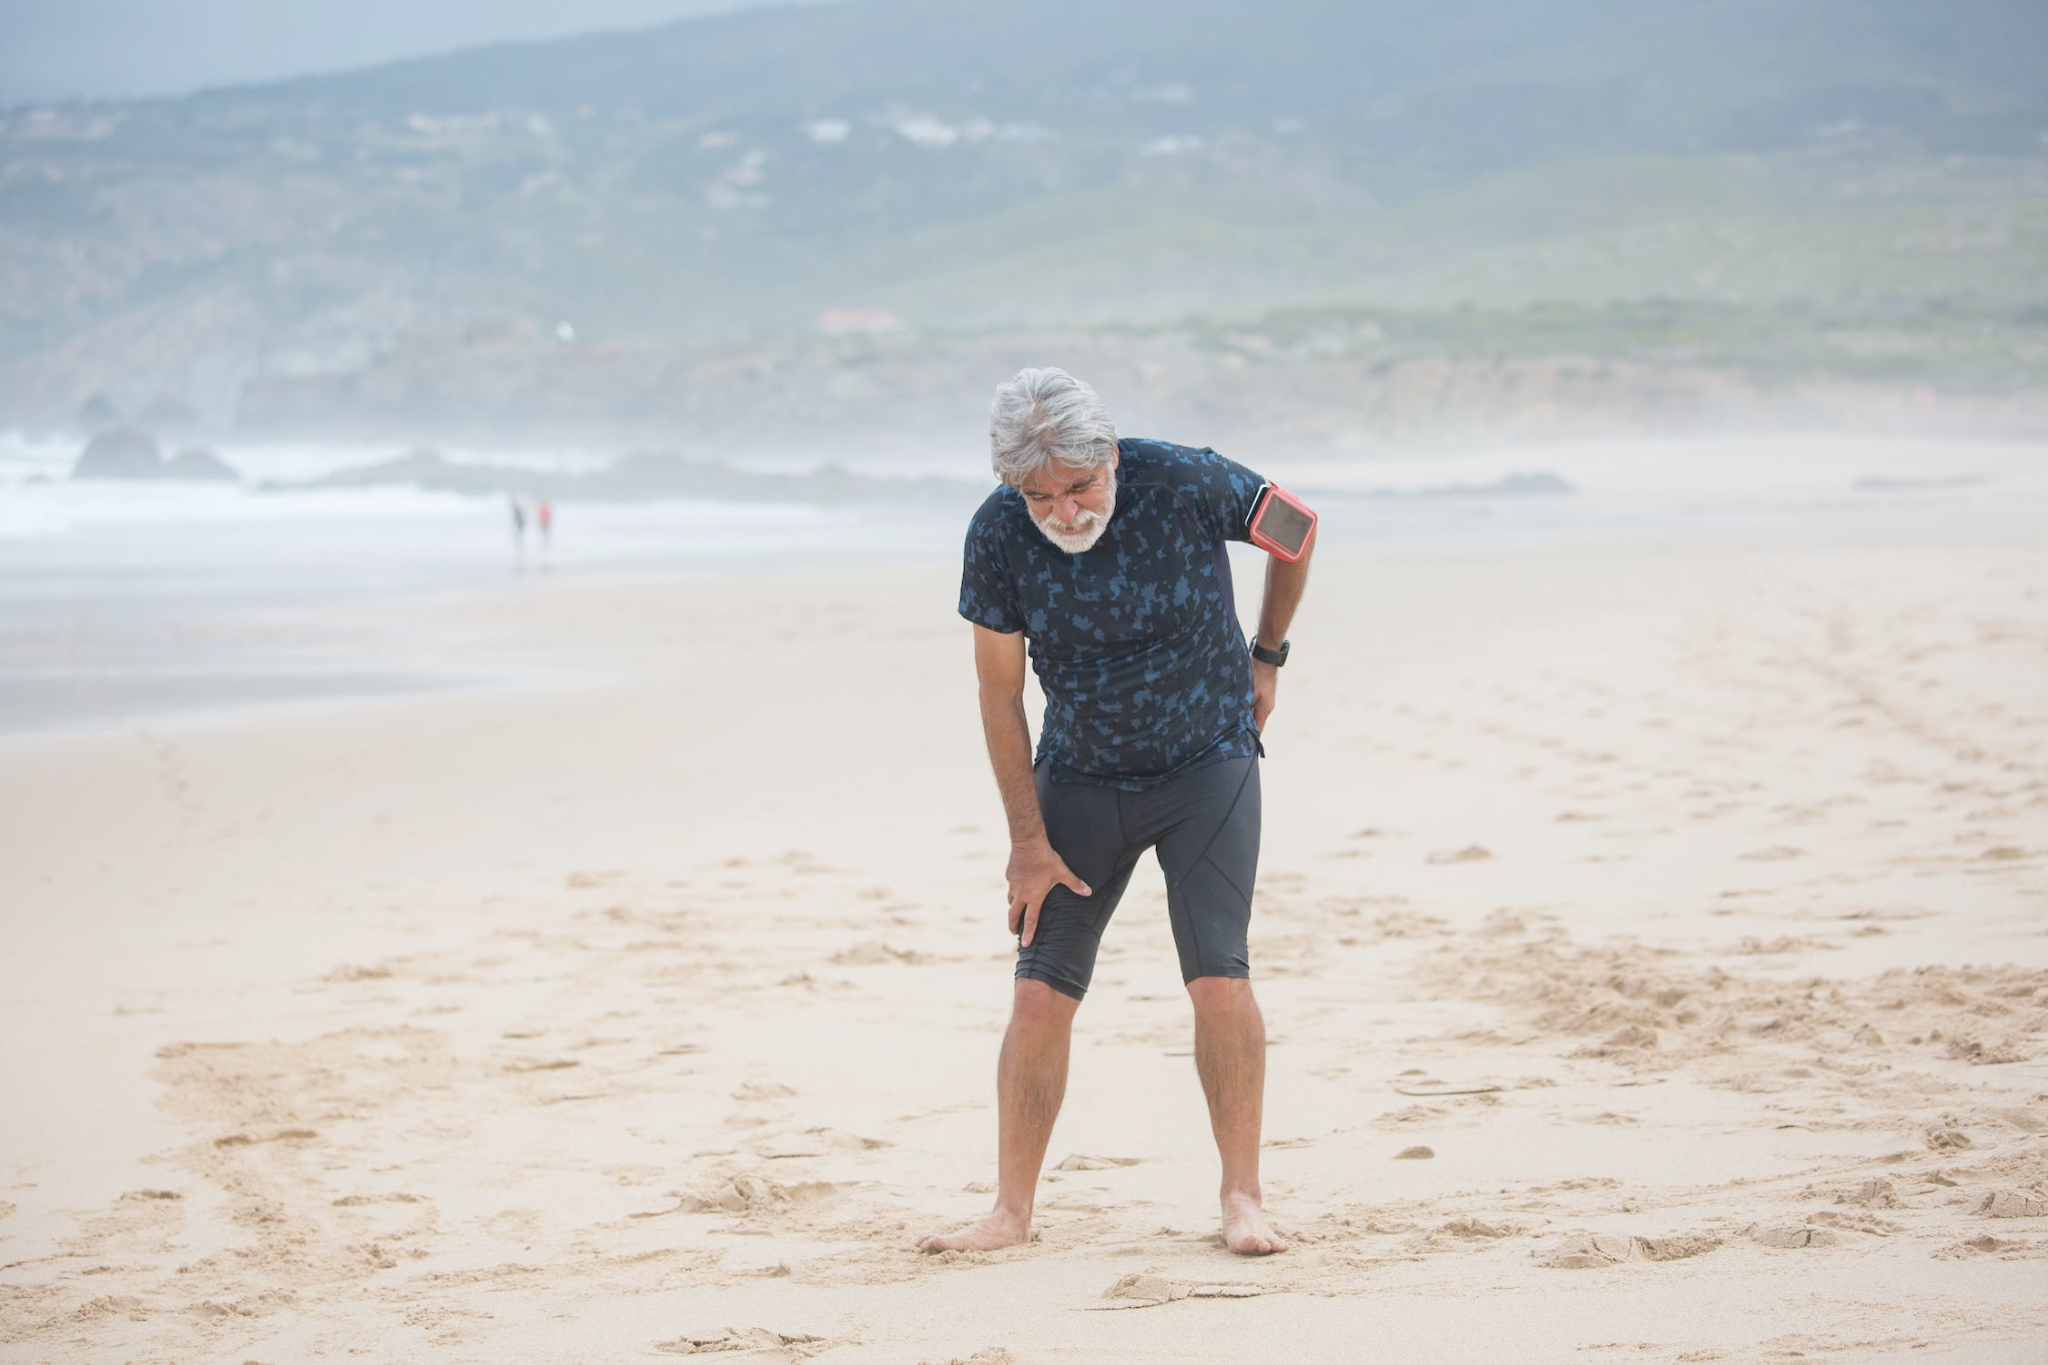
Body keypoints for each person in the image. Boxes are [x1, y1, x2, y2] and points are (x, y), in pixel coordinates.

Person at [918, 367, 1315, 1257]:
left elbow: (1297, 527)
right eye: (1040, 495)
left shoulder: (1183, 480)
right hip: (1082, 781)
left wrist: (1269, 655)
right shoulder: (995, 536)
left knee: (1219, 979)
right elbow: (997, 693)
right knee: (1037, 997)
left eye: (1080, 485)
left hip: (1205, 765)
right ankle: (1010, 1211)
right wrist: (1026, 839)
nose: (1063, 510)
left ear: (1112, 456)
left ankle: (1243, 1198)